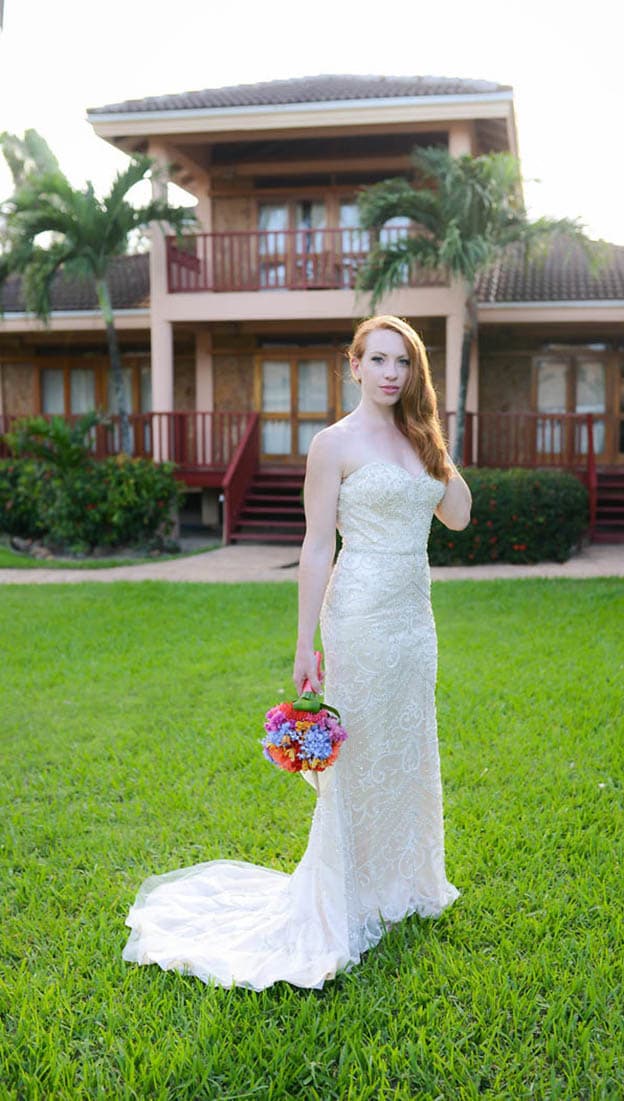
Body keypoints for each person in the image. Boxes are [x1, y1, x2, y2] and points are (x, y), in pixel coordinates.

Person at [122, 315, 471, 990]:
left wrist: (435, 441)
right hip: (360, 612)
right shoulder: (333, 444)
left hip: (413, 619)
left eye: (402, 361)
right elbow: (316, 547)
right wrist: (304, 640)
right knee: (360, 750)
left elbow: (456, 515)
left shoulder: (418, 437)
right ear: (354, 366)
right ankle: (345, 894)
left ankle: (404, 878)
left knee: (406, 742)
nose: (390, 372)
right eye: (377, 359)